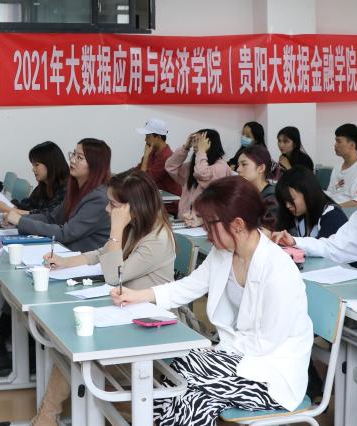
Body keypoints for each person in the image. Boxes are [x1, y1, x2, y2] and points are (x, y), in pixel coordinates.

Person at [111, 176, 313, 426]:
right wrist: (137, 296)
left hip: (272, 373)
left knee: (188, 379)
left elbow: (266, 342)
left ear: (237, 225)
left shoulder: (278, 270)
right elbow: (189, 286)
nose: (206, 233)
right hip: (239, 355)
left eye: (209, 225)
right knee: (187, 386)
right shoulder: (224, 252)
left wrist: (216, 352)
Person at [28, 171, 176, 425]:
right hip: (126, 312)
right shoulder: (137, 227)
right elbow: (101, 253)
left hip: (152, 323)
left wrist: (116, 230)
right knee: (72, 343)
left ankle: (48, 417)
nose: (108, 210)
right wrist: (65, 262)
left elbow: (114, 276)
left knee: (79, 347)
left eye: (113, 205)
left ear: (133, 208)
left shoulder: (157, 239)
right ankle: (47, 417)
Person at [0, 139, 111, 371]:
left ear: (95, 164)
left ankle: (15, 348)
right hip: (66, 258)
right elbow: (52, 218)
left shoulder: (98, 197)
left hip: (87, 266)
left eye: (80, 157)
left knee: (25, 279)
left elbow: (65, 232)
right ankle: (2, 342)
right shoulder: (76, 188)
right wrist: (17, 218)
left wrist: (19, 219)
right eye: (73, 154)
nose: (72, 160)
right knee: (17, 276)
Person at [0, 141, 69, 340]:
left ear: (50, 164)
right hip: (36, 237)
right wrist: (4, 206)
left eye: (37, 165)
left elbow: (47, 216)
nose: (33, 169)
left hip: (51, 245)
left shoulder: (66, 189)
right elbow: (27, 205)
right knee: (2, 265)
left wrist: (9, 210)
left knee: (7, 269)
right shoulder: (44, 187)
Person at [165, 128, 230, 226]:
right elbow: (170, 167)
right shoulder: (194, 165)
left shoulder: (221, 167)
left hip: (204, 224)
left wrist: (201, 151)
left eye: (199, 141)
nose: (195, 145)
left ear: (210, 144)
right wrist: (185, 147)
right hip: (184, 220)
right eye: (194, 141)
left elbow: (202, 174)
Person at [274, 167, 348, 239]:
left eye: (291, 199)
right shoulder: (298, 213)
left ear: (307, 193)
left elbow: (323, 247)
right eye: (285, 200)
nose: (287, 205)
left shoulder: (333, 217)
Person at [134, 118, 182, 198]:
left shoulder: (166, 157)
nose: (145, 139)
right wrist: (119, 177)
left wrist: (145, 157)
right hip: (156, 197)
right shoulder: (152, 152)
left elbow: (145, 181)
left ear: (158, 137)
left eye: (148, 136)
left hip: (169, 202)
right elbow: (137, 169)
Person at [232, 144, 278, 220]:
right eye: (238, 165)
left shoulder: (272, 197)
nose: (238, 169)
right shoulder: (246, 193)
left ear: (261, 168)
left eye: (244, 164)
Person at [327, 123, 357, 205]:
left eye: (339, 141)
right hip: (332, 207)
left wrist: (335, 208)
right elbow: (330, 193)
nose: (335, 145)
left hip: (346, 210)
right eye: (336, 141)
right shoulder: (337, 167)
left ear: (352, 145)